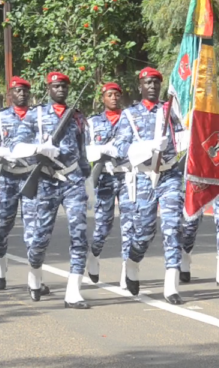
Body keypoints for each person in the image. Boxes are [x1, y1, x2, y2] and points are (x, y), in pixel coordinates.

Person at [9, 72, 91, 309]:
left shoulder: (76, 116)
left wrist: (88, 182)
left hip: (73, 179)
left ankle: (73, 292)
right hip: (46, 180)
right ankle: (34, 273)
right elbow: (16, 146)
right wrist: (39, 148)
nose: (61, 90)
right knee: (39, 239)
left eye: (64, 86)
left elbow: (82, 151)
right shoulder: (35, 115)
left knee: (79, 235)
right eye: (56, 86)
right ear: (48, 89)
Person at [112, 67, 189, 305]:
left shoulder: (169, 111)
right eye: (148, 82)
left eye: (156, 82)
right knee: (144, 231)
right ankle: (133, 263)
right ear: (140, 87)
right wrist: (147, 147)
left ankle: (171, 285)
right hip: (144, 176)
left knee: (173, 226)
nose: (153, 86)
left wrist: (183, 139)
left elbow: (182, 138)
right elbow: (120, 148)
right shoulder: (129, 115)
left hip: (169, 175)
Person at [0, 76, 51, 295]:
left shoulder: (39, 117)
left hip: (31, 177)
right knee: (2, 226)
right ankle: (0, 270)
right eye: (17, 91)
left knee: (33, 230)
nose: (22, 94)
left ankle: (35, 280)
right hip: (8, 178)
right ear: (9, 94)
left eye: (25, 91)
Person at [84, 82, 131, 285]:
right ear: (103, 98)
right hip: (103, 177)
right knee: (103, 225)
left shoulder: (130, 119)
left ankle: (126, 272)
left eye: (117, 95)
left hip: (127, 175)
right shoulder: (92, 123)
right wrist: (99, 151)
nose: (113, 98)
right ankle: (94, 255)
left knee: (129, 225)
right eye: (109, 94)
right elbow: (84, 148)